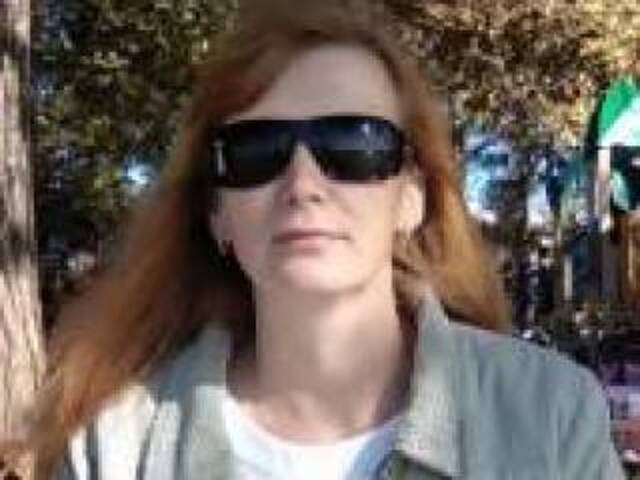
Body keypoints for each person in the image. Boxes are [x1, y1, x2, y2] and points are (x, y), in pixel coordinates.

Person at [2, 2, 624, 479]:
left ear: (412, 195)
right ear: (217, 214)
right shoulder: (114, 446)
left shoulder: (551, 416)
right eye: (256, 150)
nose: (302, 185)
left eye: (354, 143)